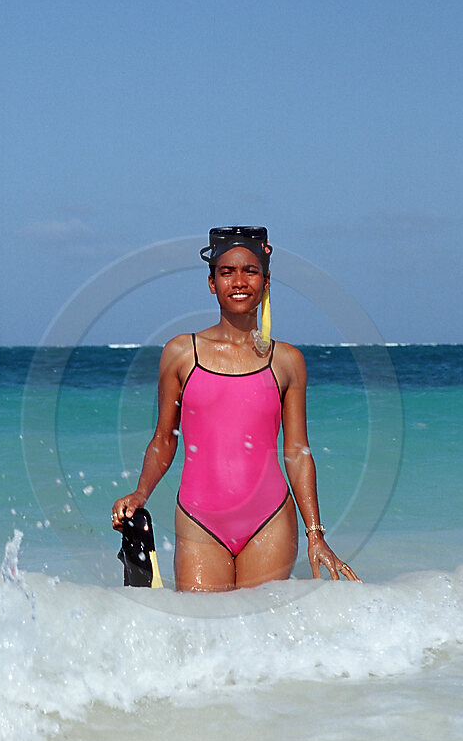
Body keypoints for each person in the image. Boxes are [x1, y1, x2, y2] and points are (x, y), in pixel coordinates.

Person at [112, 227, 360, 591]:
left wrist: (316, 534)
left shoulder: (287, 361)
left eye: (251, 271)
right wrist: (140, 493)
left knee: (261, 635)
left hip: (271, 520)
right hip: (200, 520)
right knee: (202, 634)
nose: (239, 281)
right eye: (227, 272)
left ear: (266, 281)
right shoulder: (181, 353)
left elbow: (297, 450)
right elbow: (164, 438)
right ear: (211, 283)